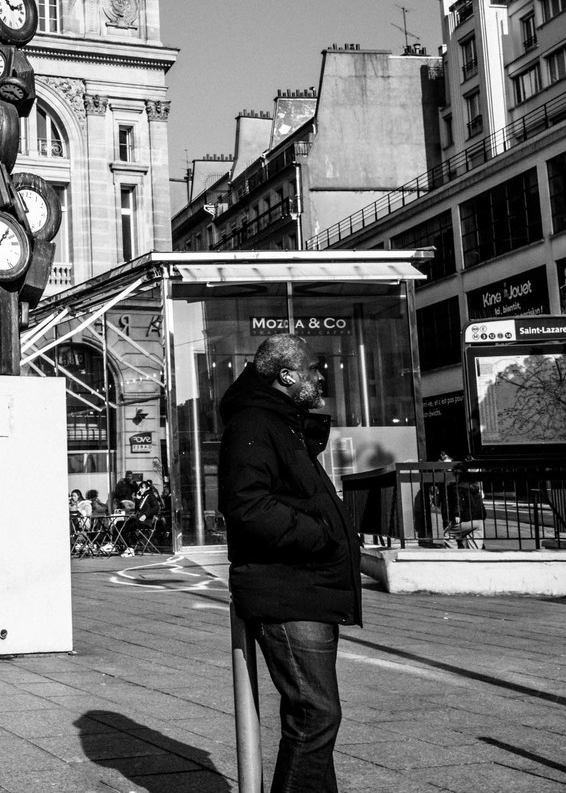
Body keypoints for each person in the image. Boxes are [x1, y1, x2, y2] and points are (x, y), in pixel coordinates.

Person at [219, 334, 360, 793]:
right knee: (315, 714)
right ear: (286, 375)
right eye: (313, 368)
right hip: (287, 590)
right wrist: (320, 535)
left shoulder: (285, 423)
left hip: (306, 586)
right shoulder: (254, 422)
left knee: (311, 717)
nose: (321, 375)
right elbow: (248, 506)